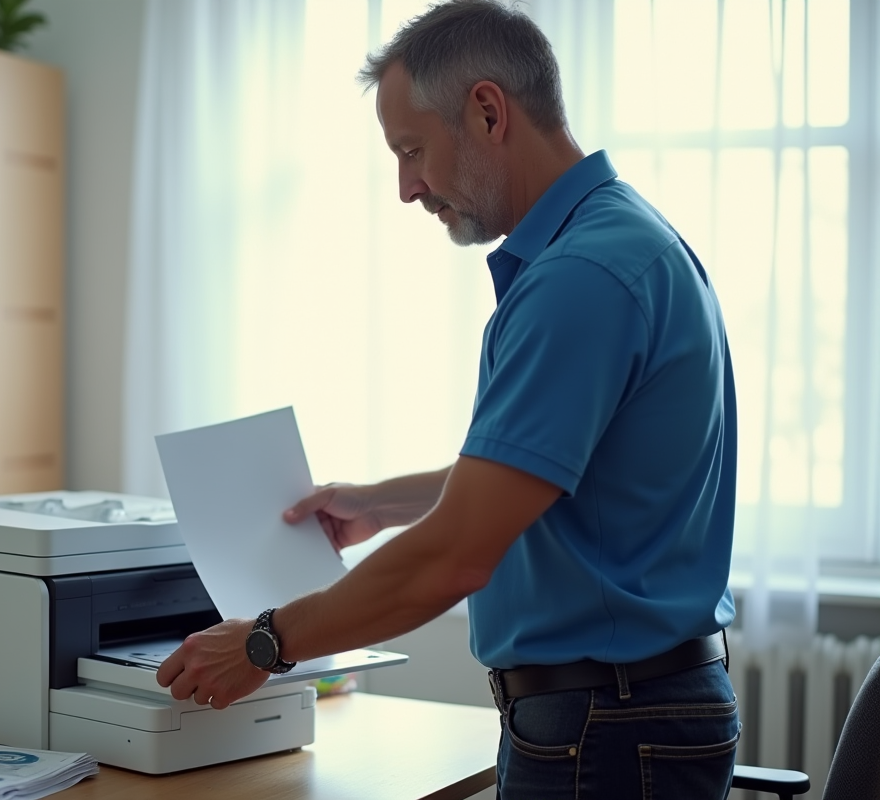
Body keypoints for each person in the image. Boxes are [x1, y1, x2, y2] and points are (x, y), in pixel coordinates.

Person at [156, 1, 740, 797]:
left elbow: (460, 552)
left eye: (412, 150)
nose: (406, 188)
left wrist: (265, 642)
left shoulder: (581, 281)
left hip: (607, 725)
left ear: (489, 111)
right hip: (621, 715)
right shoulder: (620, 243)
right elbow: (553, 478)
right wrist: (381, 502)